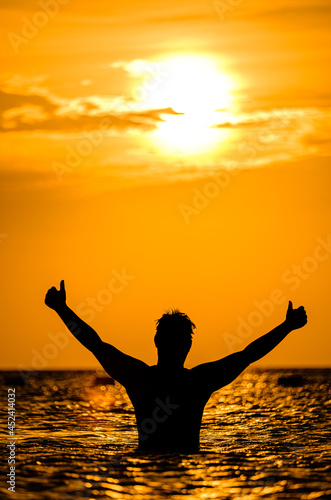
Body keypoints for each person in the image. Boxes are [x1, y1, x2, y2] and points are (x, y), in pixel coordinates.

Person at [45, 280, 307, 453]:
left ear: (157, 341)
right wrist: (287, 327)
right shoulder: (198, 381)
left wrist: (62, 309)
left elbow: (95, 343)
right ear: (188, 346)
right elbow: (249, 354)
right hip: (191, 470)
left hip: (144, 468)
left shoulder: (139, 377)